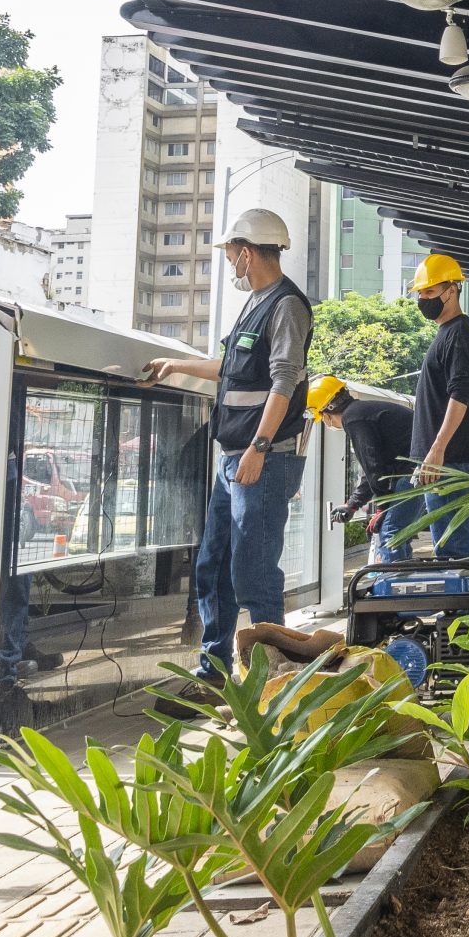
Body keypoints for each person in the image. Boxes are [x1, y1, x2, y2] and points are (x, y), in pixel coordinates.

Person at [137, 207, 313, 684]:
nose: (230, 261)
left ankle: (273, 679)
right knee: (214, 565)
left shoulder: (286, 306)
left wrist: (259, 446)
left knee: (253, 570)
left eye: (232, 253)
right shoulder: (254, 303)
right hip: (232, 459)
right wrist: (176, 365)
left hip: (262, 459)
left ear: (248, 252)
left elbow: (283, 380)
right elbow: (231, 371)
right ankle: (214, 672)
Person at [406, 252, 469, 559]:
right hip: (445, 457)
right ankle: (462, 603)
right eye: (421, 293)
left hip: (449, 457)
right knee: (447, 537)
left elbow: (461, 393)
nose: (424, 299)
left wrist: (437, 449)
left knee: (450, 540)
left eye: (430, 291)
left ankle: (463, 605)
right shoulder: (450, 333)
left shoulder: (459, 333)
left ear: (452, 290)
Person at [312, 374, 414, 563]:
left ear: (326, 413)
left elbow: (374, 469)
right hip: (418, 471)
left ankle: (393, 585)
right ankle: (402, 584)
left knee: (391, 534)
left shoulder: (353, 419)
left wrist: (381, 509)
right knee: (399, 534)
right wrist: (352, 504)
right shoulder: (361, 412)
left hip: (414, 474)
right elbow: (373, 470)